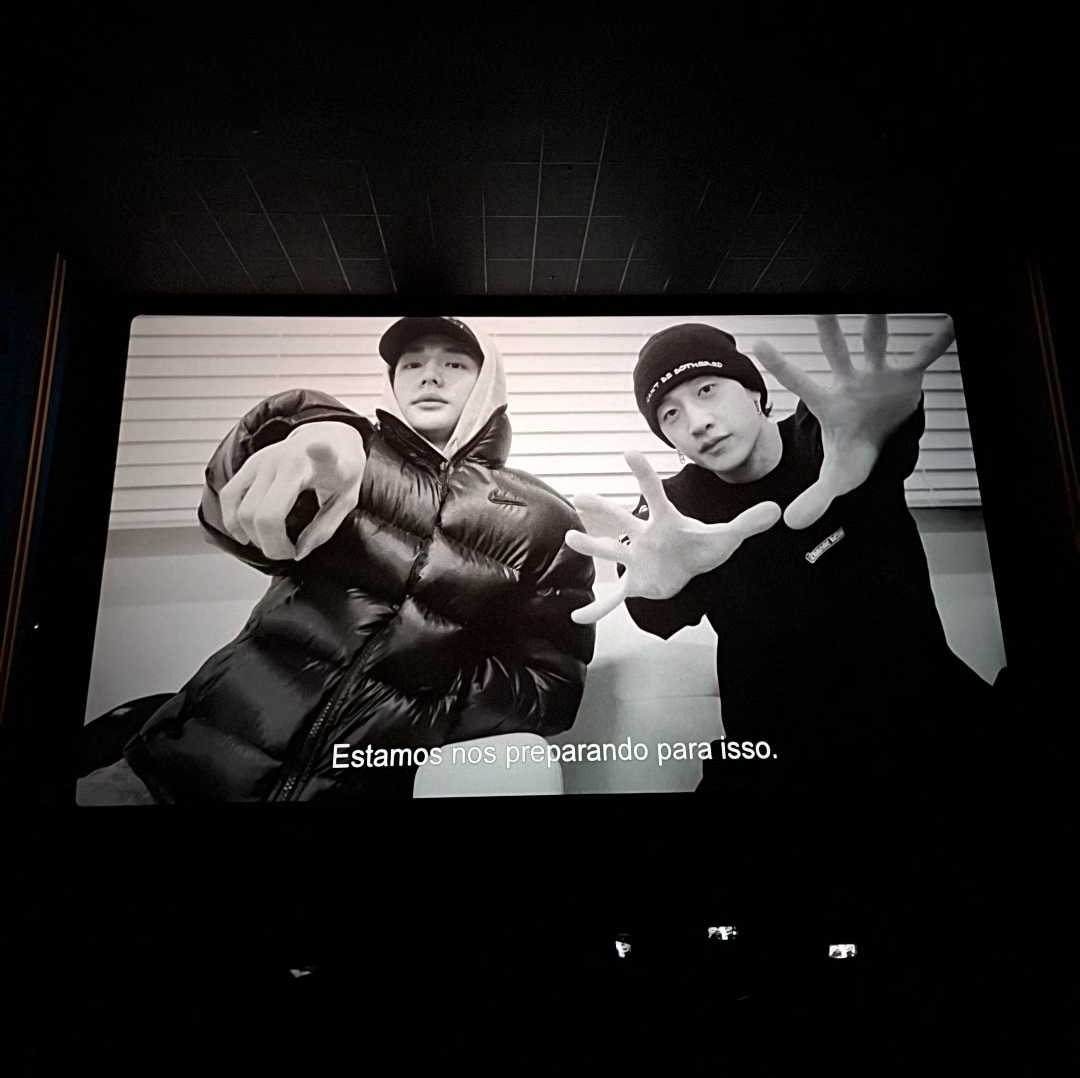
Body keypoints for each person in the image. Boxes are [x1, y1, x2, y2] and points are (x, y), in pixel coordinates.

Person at [78, 316, 595, 803]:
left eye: (454, 363)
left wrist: (417, 694)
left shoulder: (545, 520)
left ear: (490, 383)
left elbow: (550, 689)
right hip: (168, 771)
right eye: (412, 363)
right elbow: (228, 517)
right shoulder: (345, 452)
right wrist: (310, 423)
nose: (429, 375)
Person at [564, 315, 1007, 863]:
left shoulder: (829, 435)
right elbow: (657, 612)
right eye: (670, 414)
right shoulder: (677, 506)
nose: (697, 422)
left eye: (707, 390)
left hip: (921, 720)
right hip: (780, 752)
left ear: (754, 391)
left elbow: (882, 438)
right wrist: (651, 588)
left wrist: (895, 421)